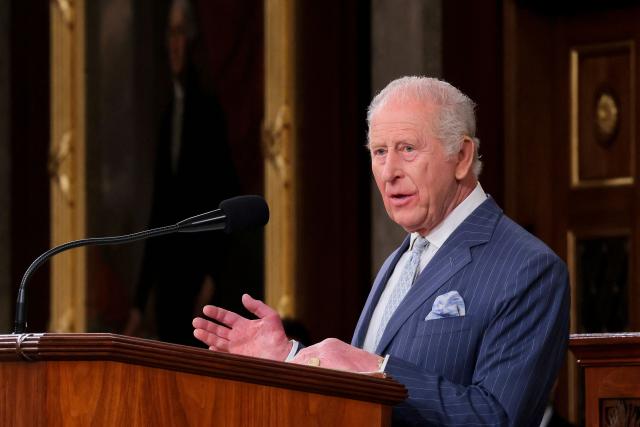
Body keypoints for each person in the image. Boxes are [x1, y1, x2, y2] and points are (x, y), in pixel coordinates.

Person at [192, 76, 570, 425]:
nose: (389, 171)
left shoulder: (528, 268)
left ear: (463, 157)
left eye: (407, 149)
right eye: (378, 151)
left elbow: (498, 418)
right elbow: (360, 392)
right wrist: (291, 359)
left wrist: (376, 370)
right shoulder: (400, 260)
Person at [124, 0, 244, 345]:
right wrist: (138, 301)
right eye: (169, 34)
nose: (173, 45)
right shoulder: (168, 117)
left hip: (203, 289)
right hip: (169, 286)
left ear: (193, 42)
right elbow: (159, 212)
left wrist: (211, 277)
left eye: (180, 34)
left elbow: (226, 199)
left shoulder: (208, 112)